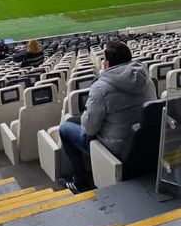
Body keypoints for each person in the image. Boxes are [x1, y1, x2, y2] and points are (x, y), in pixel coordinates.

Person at [58, 40, 156, 194]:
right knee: (76, 121)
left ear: (108, 63)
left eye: (104, 60)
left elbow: (89, 130)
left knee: (65, 128)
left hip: (117, 149)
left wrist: (87, 114)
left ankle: (80, 180)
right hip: (142, 143)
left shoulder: (100, 87)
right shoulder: (146, 78)